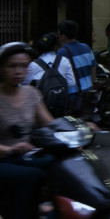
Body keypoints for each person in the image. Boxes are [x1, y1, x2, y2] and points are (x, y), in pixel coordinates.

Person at [0, 42, 55, 219]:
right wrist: (10, 149)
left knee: (57, 163)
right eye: (12, 66)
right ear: (2, 68)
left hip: (24, 157)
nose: (18, 71)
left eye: (24, 66)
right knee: (33, 175)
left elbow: (50, 124)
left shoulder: (31, 93)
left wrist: (79, 126)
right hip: (3, 159)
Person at [57, 20, 97, 107]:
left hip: (73, 94)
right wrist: (90, 83)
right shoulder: (86, 48)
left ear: (63, 36)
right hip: (88, 91)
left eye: (59, 34)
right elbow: (93, 68)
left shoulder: (62, 52)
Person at [23, 32, 76, 97]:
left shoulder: (34, 65)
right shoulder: (64, 60)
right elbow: (71, 83)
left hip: (41, 100)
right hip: (61, 100)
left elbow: (25, 84)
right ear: (56, 46)